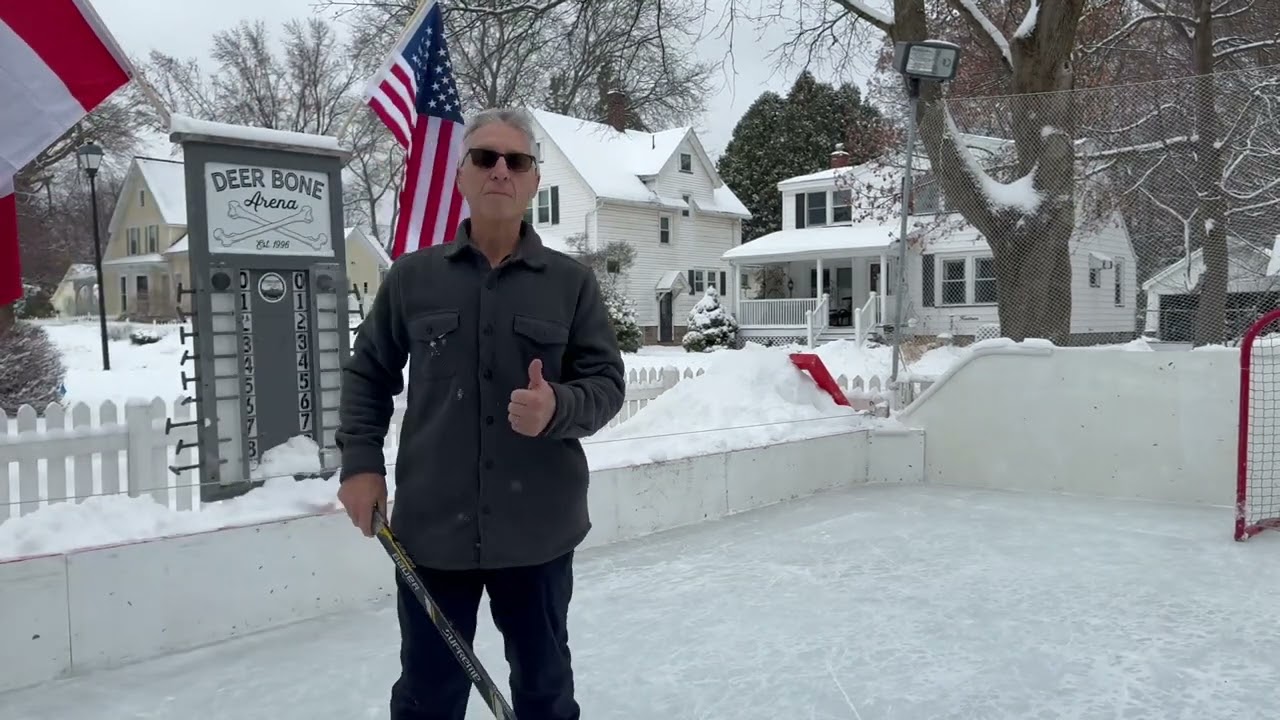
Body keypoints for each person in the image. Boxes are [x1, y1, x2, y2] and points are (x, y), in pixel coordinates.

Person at [335, 107, 626, 720]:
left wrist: (558, 407)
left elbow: (606, 385)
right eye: (485, 158)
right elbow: (368, 375)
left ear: (532, 182)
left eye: (515, 161)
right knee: (428, 696)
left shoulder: (571, 284)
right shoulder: (413, 280)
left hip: (539, 533)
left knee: (545, 692)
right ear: (462, 175)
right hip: (434, 531)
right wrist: (360, 465)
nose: (500, 170)